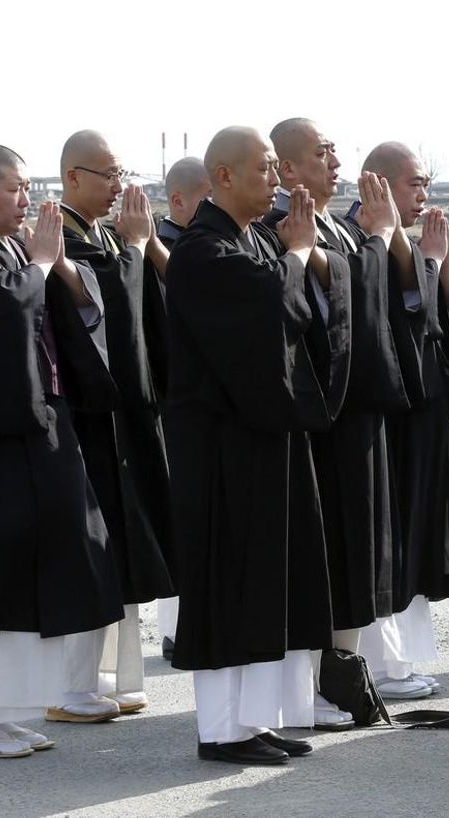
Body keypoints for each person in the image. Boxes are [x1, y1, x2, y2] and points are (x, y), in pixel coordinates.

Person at [0, 143, 125, 755]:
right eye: (12, 188)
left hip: (42, 424)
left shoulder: (14, 247)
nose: (25, 199)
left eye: (26, 186)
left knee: (37, 570)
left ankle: (4, 711)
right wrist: (40, 267)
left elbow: (78, 303)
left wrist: (56, 267)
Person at [164, 126, 351, 764]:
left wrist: (301, 256)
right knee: (226, 579)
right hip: (218, 449)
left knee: (266, 576)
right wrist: (297, 256)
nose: (276, 179)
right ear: (223, 176)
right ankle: (220, 730)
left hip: (262, 437)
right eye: (265, 168)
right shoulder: (202, 252)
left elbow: (303, 318)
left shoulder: (247, 242)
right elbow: (271, 311)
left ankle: (251, 721)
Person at [268, 118, 404, 727]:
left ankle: (342, 670)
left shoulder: (332, 226)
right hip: (322, 411)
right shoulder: (283, 229)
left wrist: (379, 243)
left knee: (355, 542)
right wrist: (373, 244)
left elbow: (379, 304)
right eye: (321, 153)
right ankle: (318, 680)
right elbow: (320, 311)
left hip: (357, 407)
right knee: (327, 545)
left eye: (333, 151)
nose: (336, 161)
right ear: (286, 170)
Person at [56, 130, 174, 717]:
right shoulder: (62, 242)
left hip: (123, 416)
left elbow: (159, 305)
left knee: (120, 548)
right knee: (90, 547)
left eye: (123, 174)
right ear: (72, 177)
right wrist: (131, 252)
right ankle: (68, 686)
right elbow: (103, 311)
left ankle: (101, 677)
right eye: (108, 175)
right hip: (86, 415)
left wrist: (141, 249)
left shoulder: (103, 235)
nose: (120, 187)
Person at [354, 141, 449, 699]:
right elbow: (393, 316)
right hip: (390, 415)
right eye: (413, 184)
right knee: (391, 539)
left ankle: (404, 662)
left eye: (426, 183)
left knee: (421, 531)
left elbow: (444, 322)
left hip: (426, 411)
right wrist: (427, 264)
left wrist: (446, 268)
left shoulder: (415, 243)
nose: (423, 195)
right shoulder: (361, 241)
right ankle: (385, 666)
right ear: (376, 185)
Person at [151, 156, 212, 662]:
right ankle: (175, 623)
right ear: (178, 201)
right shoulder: (168, 244)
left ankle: (180, 620)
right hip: (171, 395)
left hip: (189, 394)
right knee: (181, 511)